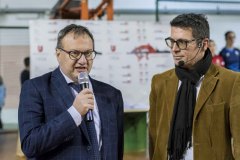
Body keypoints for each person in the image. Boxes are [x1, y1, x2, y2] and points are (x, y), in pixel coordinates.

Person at [18, 24, 124, 160]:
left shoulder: (112, 94)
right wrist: (74, 113)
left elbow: (117, 149)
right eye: (74, 53)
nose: (83, 61)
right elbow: (30, 145)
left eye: (88, 53)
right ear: (58, 54)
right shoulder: (35, 88)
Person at [149, 13, 240, 160]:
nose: (174, 49)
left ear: (203, 44)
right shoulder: (159, 82)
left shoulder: (231, 82)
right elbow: (154, 138)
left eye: (182, 42)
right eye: (171, 41)